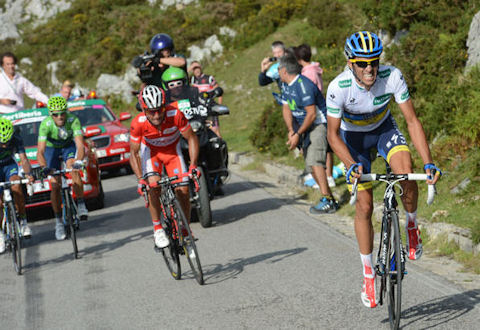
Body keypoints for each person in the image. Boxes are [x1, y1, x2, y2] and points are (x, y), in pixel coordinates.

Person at [326, 31, 442, 308]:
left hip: (384, 131)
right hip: (352, 142)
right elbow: (332, 135)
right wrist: (350, 164)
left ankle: (411, 223)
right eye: (362, 63)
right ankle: (368, 274)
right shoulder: (338, 87)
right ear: (350, 63)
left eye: (374, 62)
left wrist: (428, 161)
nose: (370, 69)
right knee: (364, 206)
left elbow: (412, 121)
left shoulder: (392, 76)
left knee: (405, 170)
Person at [129, 85, 199, 249]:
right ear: (144, 110)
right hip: (152, 154)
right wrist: (141, 180)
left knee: (183, 189)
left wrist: (193, 165)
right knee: (153, 186)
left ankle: (185, 228)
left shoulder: (175, 114)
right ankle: (158, 228)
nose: (156, 115)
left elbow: (192, 138)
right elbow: (134, 153)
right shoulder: (138, 123)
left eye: (159, 109)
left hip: (172, 153)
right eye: (151, 111)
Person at [278, 54, 338, 214]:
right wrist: (291, 130)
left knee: (315, 161)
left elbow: (311, 114)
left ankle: (328, 200)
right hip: (304, 127)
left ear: (284, 70)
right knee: (310, 165)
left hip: (319, 124)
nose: (277, 72)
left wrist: (297, 133)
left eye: (278, 69)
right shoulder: (285, 85)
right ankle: (329, 198)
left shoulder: (303, 85)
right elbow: (286, 107)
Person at [37, 96, 89, 241]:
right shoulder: (46, 124)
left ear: (66, 112)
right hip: (51, 150)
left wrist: (79, 161)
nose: (60, 117)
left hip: (67, 147)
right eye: (55, 114)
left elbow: (80, 146)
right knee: (54, 185)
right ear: (50, 114)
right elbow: (40, 151)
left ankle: (80, 204)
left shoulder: (73, 120)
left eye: (62, 113)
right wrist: (44, 167)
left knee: (73, 168)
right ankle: (58, 222)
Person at [294, 44, 336, 188]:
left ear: (299, 59)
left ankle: (324, 177)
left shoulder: (306, 75)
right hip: (323, 108)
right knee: (328, 147)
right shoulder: (315, 69)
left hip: (316, 112)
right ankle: (329, 176)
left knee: (318, 147)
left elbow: (308, 95)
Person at [0, 118, 35, 252]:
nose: (5, 144)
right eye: (2, 142)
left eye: (8, 141)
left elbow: (24, 159)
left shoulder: (16, 137)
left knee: (17, 186)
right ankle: (1, 234)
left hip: (9, 165)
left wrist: (28, 174)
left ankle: (23, 222)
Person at [188, 61, 223, 137]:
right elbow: (183, 79)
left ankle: (220, 146)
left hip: (209, 108)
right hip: (198, 109)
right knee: (199, 129)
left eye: (198, 68)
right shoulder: (192, 79)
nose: (196, 70)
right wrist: (189, 69)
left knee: (214, 130)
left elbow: (218, 90)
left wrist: (220, 106)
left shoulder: (209, 78)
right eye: (194, 69)